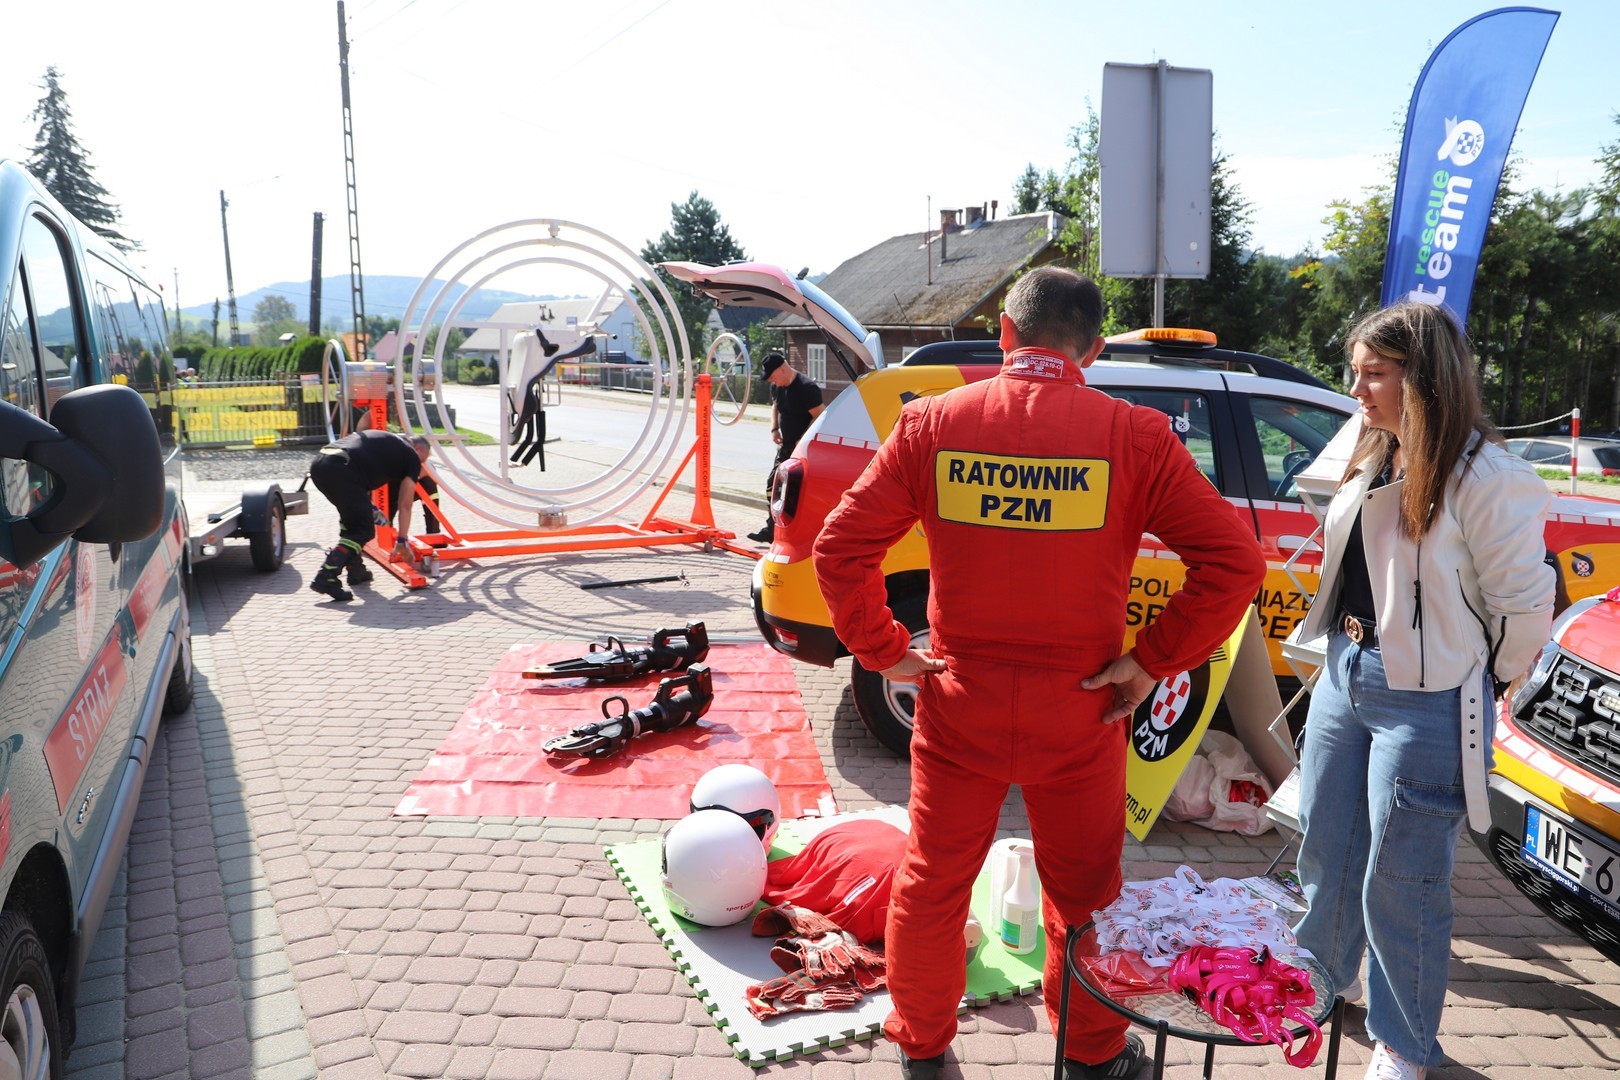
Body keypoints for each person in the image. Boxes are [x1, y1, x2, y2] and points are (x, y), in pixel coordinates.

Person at [811, 267, 1266, 1080]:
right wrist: (1149, 660)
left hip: (960, 704)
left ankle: (924, 1052)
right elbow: (1235, 562)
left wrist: (884, 650)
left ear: (1005, 333)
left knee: (932, 884)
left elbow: (840, 549)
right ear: (1093, 348)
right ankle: (1090, 1057)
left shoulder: (934, 424)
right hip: (1082, 710)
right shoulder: (1134, 436)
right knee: (1085, 896)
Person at [1290, 302, 1555, 1080]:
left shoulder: (1489, 477)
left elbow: (1523, 610)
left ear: (1425, 379)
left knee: (1403, 880)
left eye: (1373, 374)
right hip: (1345, 670)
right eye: (1355, 372)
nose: (1356, 390)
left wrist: (1478, 677)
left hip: (1429, 698)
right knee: (1326, 847)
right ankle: (1320, 982)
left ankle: (1403, 1045)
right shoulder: (1372, 446)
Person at [307, 429, 432, 601]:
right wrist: (402, 541)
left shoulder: (384, 438)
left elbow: (361, 464)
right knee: (363, 531)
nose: (420, 467)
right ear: (417, 449)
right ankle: (326, 576)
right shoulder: (411, 455)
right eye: (422, 461)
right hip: (342, 470)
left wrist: (369, 508)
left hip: (321, 464)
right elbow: (405, 505)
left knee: (351, 523)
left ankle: (356, 570)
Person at [748, 352, 823, 543]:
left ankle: (797, 533)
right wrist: (774, 428)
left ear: (783, 369)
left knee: (796, 492)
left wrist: (802, 439)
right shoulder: (777, 386)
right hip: (786, 446)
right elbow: (775, 406)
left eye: (772, 376)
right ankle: (772, 529)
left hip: (803, 450)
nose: (771, 380)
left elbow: (820, 415)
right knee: (773, 484)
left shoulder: (806, 388)